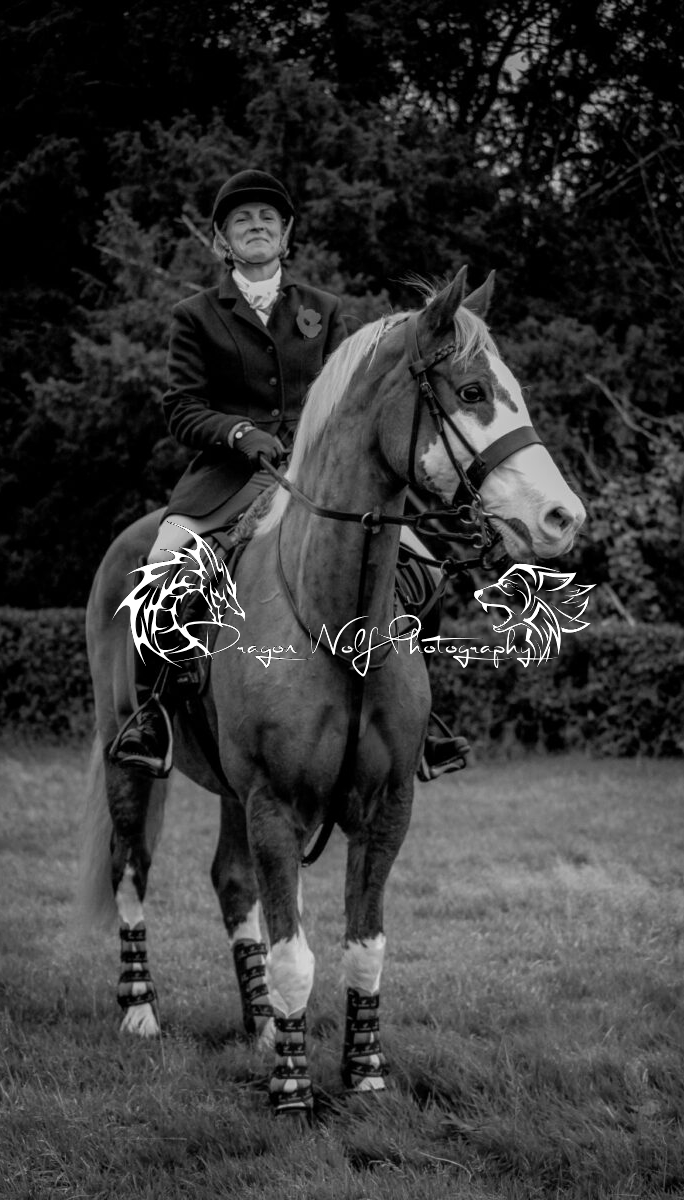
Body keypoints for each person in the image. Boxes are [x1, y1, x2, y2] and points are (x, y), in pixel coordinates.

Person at [111, 168, 469, 781]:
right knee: (161, 573)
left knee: (426, 571)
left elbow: (350, 397)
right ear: (222, 240)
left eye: (267, 219)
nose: (256, 226)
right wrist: (237, 432)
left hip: (316, 477)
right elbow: (181, 407)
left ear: (286, 234)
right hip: (225, 480)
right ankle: (151, 714)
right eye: (241, 220)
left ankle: (421, 719)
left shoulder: (323, 310)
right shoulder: (195, 314)